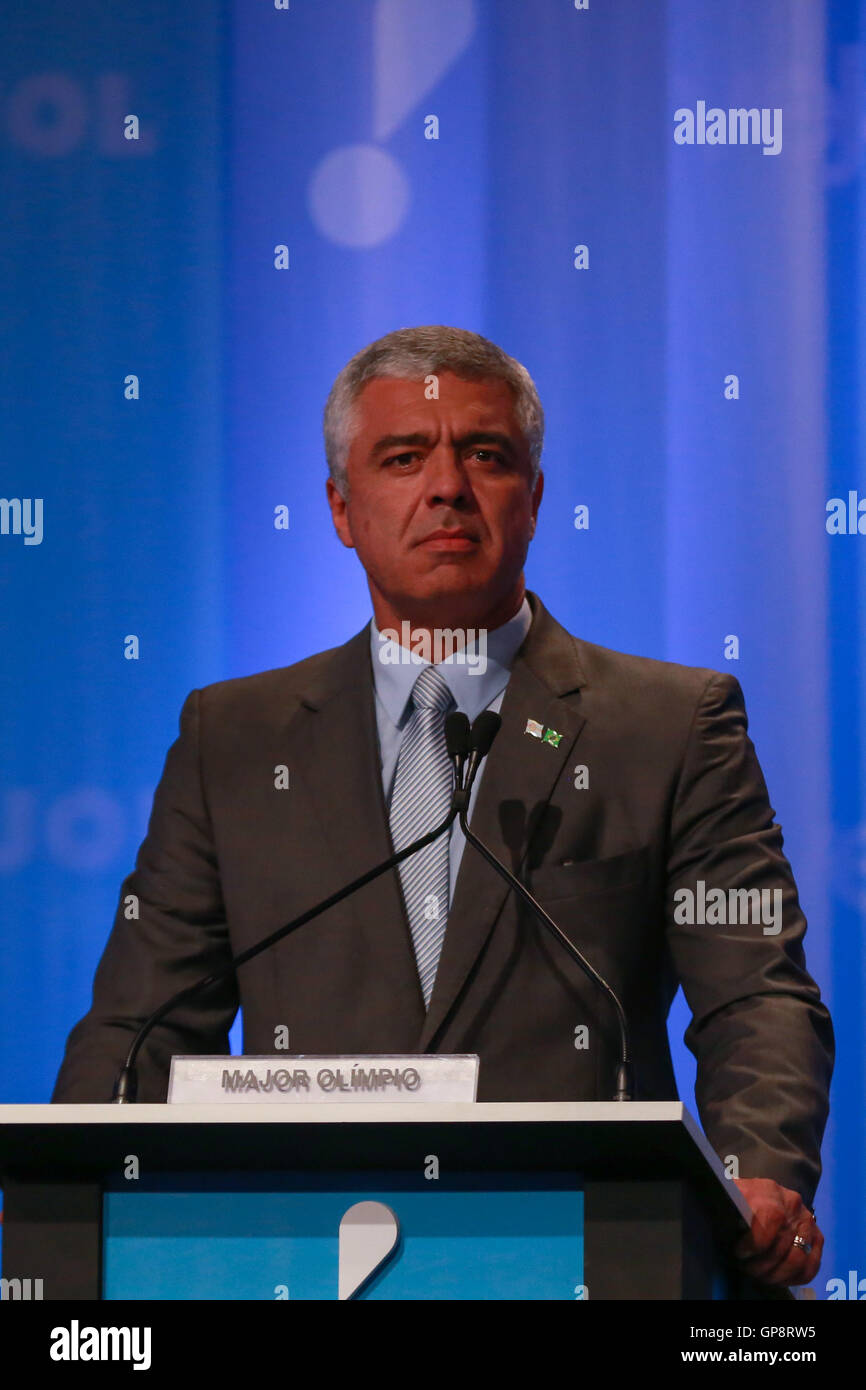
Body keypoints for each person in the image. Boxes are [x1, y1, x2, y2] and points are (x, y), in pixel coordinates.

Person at [52, 325, 834, 1290]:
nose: (449, 486)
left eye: (487, 455)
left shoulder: (670, 726)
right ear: (342, 508)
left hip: (588, 1258)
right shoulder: (235, 739)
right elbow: (143, 1022)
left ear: (536, 499)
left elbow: (755, 991)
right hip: (297, 1260)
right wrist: (70, 1197)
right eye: (404, 457)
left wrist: (759, 1171)